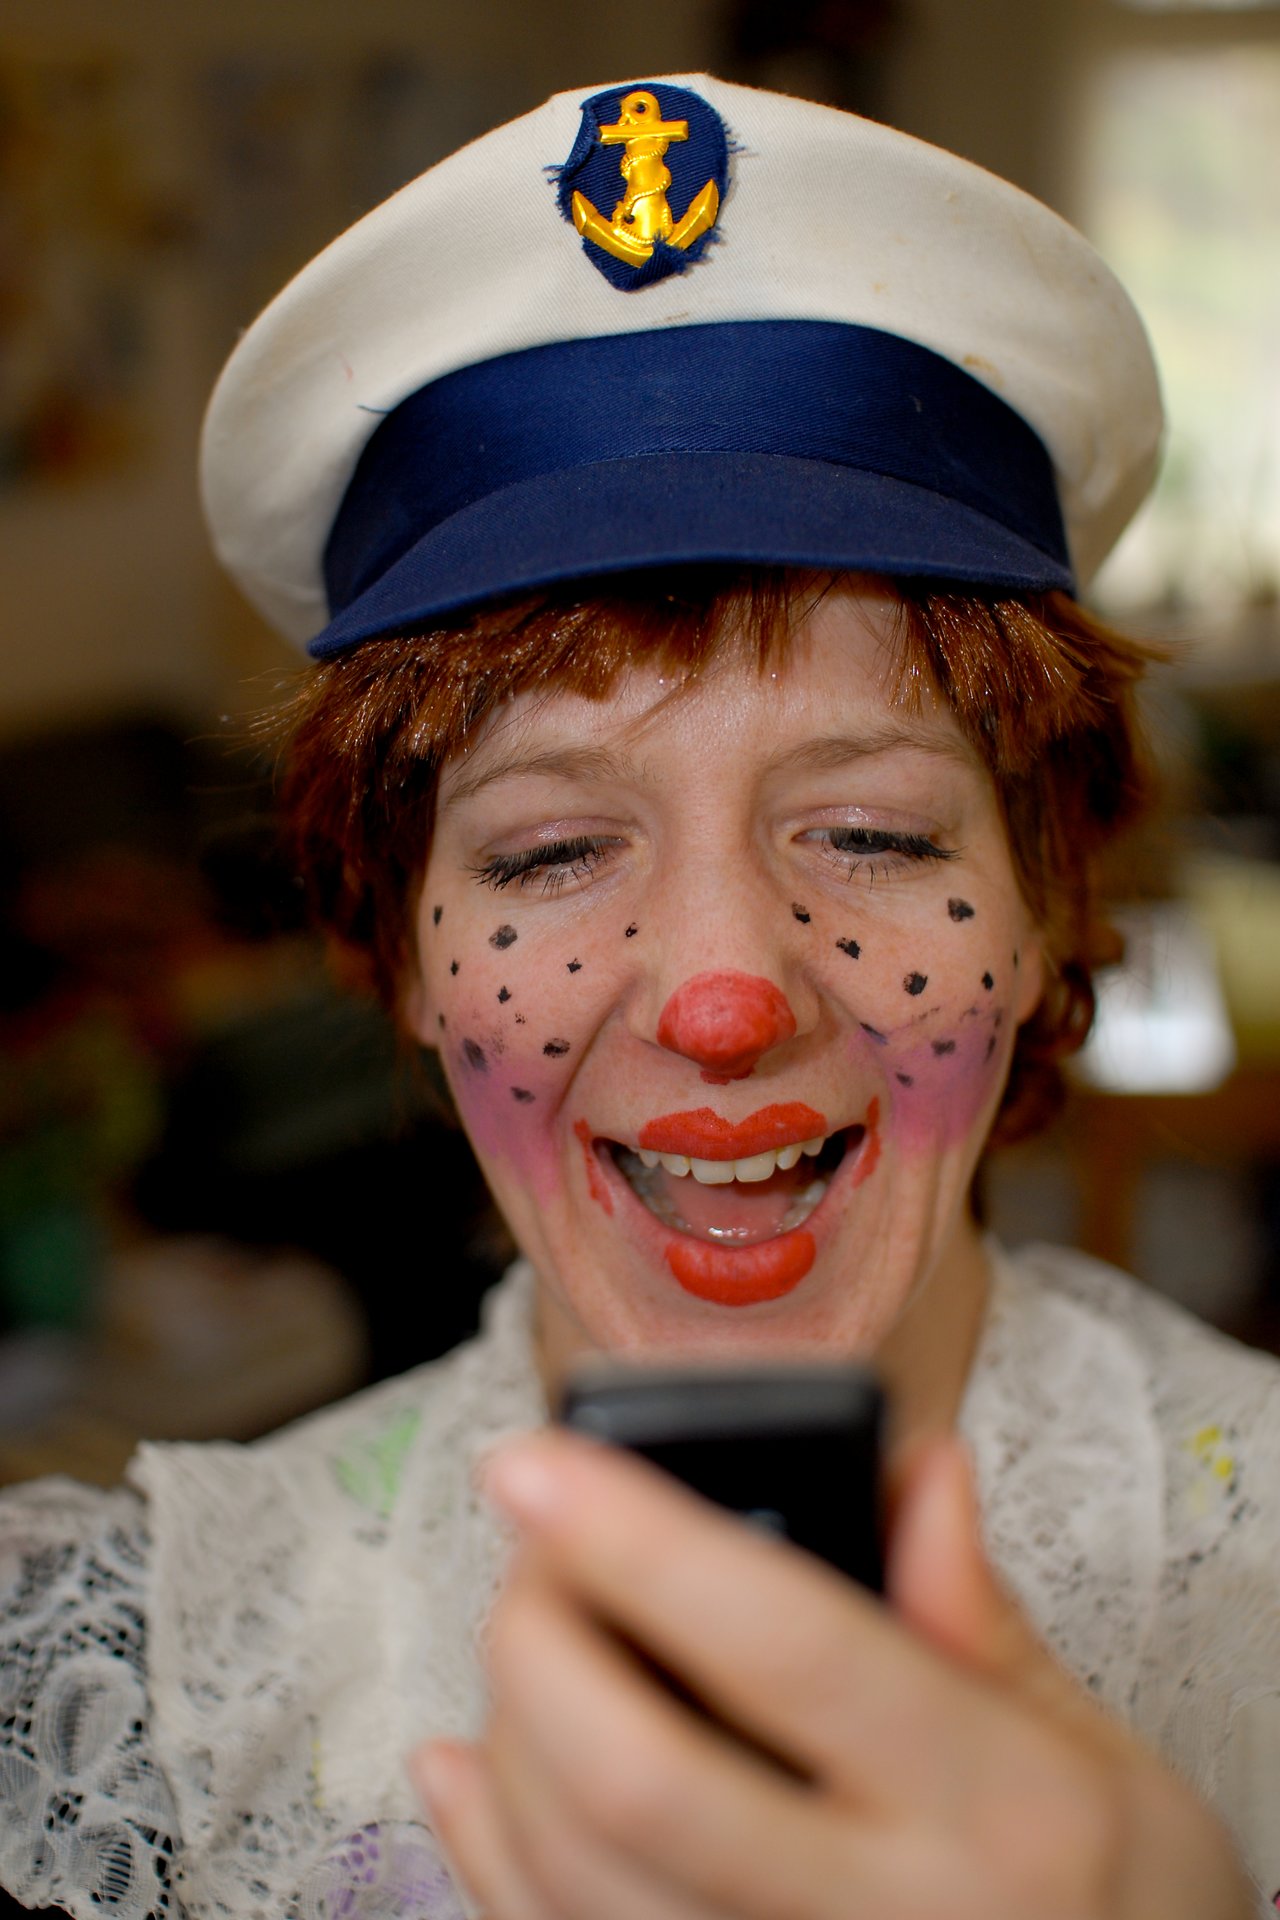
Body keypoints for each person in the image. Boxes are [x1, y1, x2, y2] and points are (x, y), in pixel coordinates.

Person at [2, 72, 1278, 1920]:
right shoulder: (114, 1707)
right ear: (406, 946)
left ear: (1046, 896)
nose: (717, 1000)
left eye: (864, 829)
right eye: (540, 858)